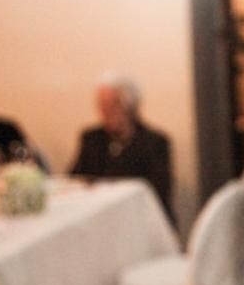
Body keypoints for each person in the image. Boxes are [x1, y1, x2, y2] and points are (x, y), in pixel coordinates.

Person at [70, 75, 173, 219]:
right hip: (98, 215)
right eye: (102, 105)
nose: (106, 111)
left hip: (138, 217)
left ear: (130, 106)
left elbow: (157, 192)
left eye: (113, 105)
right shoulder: (91, 139)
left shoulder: (154, 142)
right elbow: (74, 180)